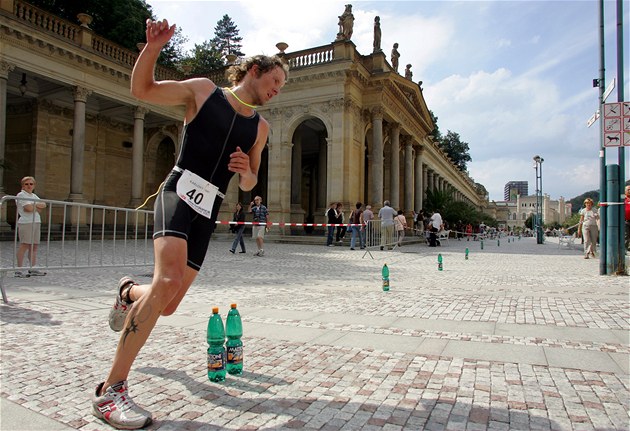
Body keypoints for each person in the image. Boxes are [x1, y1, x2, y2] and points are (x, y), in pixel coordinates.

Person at [91, 18, 288, 430]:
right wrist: (153, 49)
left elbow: (251, 179)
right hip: (179, 192)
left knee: (169, 302)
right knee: (166, 284)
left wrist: (244, 172)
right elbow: (141, 90)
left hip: (209, 208)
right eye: (274, 80)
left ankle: (128, 291)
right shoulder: (203, 91)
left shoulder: (261, 127)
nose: (276, 90)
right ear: (253, 70)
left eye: (280, 87)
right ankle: (111, 391)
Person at [15, 176, 47, 278]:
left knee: (34, 246)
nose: (29, 186)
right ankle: (18, 270)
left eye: (31, 184)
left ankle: (32, 268)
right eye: (26, 184)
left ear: (34, 185)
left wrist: (34, 206)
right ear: (23, 186)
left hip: (36, 221)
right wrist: (36, 206)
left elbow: (43, 206)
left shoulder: (33, 195)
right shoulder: (21, 195)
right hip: (26, 222)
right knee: (24, 245)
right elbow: (28, 208)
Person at [625, 185, 630, 251]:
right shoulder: (622, 198)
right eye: (628, 189)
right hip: (625, 220)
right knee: (626, 235)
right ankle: (624, 249)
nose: (629, 191)